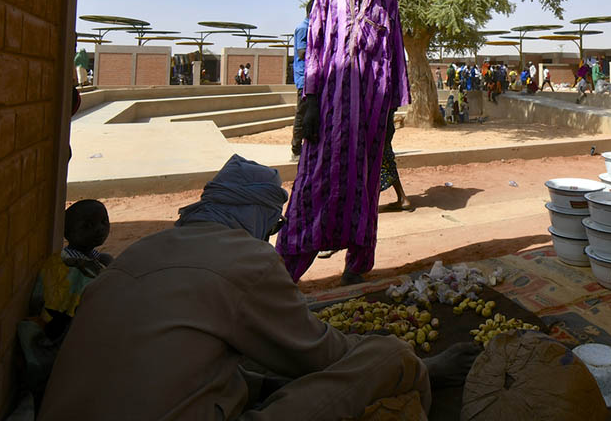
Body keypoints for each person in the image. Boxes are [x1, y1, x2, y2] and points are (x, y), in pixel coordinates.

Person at [39, 156, 477, 420]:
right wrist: (395, 353)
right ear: (254, 216)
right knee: (390, 356)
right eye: (272, 225)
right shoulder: (247, 258)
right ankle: (426, 375)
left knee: (243, 371)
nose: (272, 235)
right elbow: (320, 355)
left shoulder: (141, 250)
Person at [277, 0, 409, 285]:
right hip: (329, 113)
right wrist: (311, 102)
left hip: (369, 116)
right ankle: (286, 269)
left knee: (363, 189)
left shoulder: (388, 2)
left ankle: (356, 266)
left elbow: (394, 56)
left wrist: (391, 115)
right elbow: (317, 51)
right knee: (312, 184)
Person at [17, 200, 112, 405]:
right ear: (67, 233)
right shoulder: (61, 268)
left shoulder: (98, 260)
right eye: (87, 226)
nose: (99, 229)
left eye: (104, 221)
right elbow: (57, 312)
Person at [288, 0, 314, 161]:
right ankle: (296, 149)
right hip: (304, 77)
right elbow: (302, 52)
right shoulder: (303, 28)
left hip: (313, 77)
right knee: (302, 113)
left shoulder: (313, 28)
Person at [379, 117, 412, 212]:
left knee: (377, 161)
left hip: (375, 123)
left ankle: (402, 198)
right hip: (384, 122)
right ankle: (402, 198)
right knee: (385, 159)